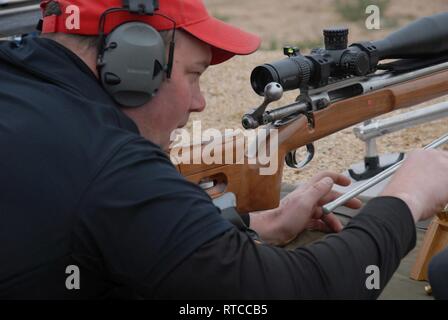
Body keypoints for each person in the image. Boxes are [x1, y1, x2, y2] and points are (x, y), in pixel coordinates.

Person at [0, 0, 447, 299]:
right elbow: (293, 293)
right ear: (131, 64)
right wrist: (404, 200)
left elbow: (119, 227)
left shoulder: (21, 84)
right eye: (194, 75)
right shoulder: (110, 165)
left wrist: (256, 224)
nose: (200, 103)